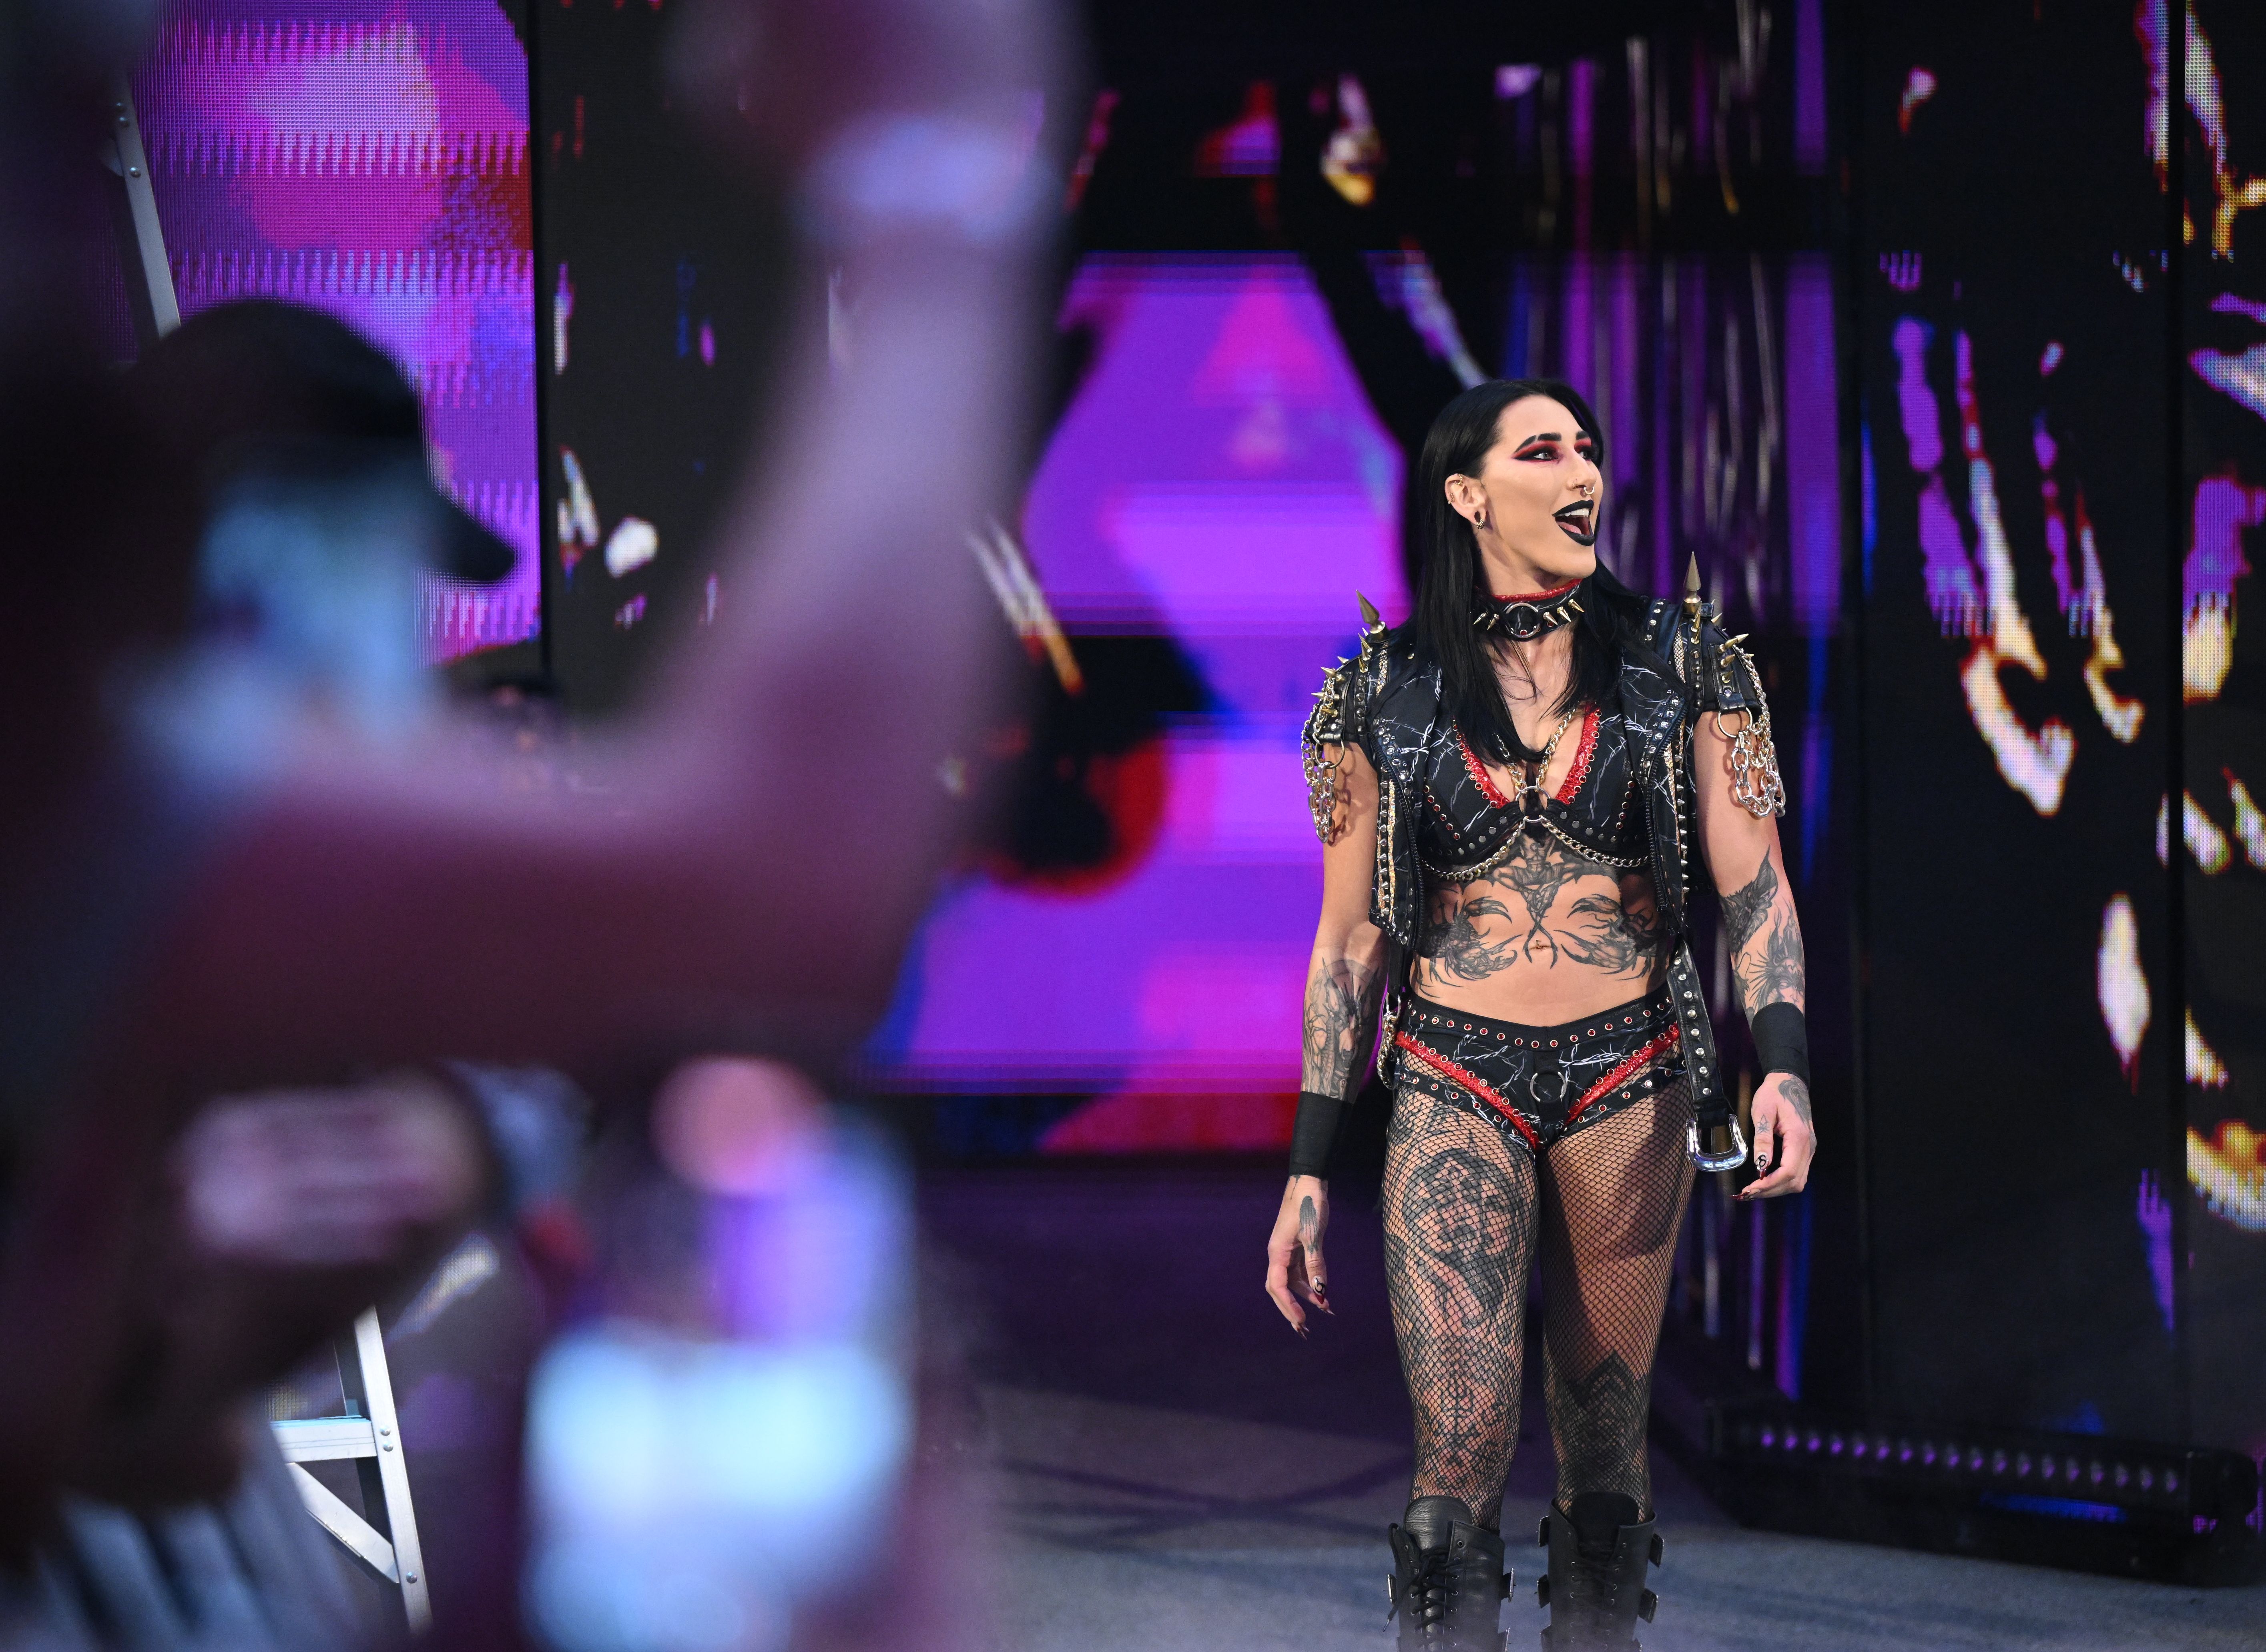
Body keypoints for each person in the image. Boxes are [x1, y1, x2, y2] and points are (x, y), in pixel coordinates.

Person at [0, 4, 1065, 1632]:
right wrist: (930, 172)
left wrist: (428, 1150)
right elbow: (777, 880)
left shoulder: (157, 822)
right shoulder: (102, 785)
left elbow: (163, 1423)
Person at [1262, 379, 1817, 1651]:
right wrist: (1307, 1165)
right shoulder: (1380, 692)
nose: (1582, 473)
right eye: (1543, 451)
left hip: (1630, 1076)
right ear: (1468, 495)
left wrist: (1781, 1066)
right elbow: (1348, 944)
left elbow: (1757, 892)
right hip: (1454, 1077)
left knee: (1606, 1445)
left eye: (1587, 450)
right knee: (1459, 1446)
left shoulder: (1685, 665)